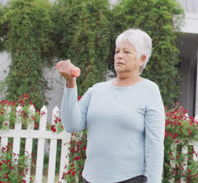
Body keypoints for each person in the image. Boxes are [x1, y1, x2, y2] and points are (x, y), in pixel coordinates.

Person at [58, 28, 165, 183]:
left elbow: (154, 145)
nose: (119, 56)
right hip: (90, 178)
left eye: (126, 52)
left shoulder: (150, 90)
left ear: (142, 59)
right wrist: (70, 83)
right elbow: (71, 124)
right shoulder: (97, 90)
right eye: (117, 51)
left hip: (130, 179)